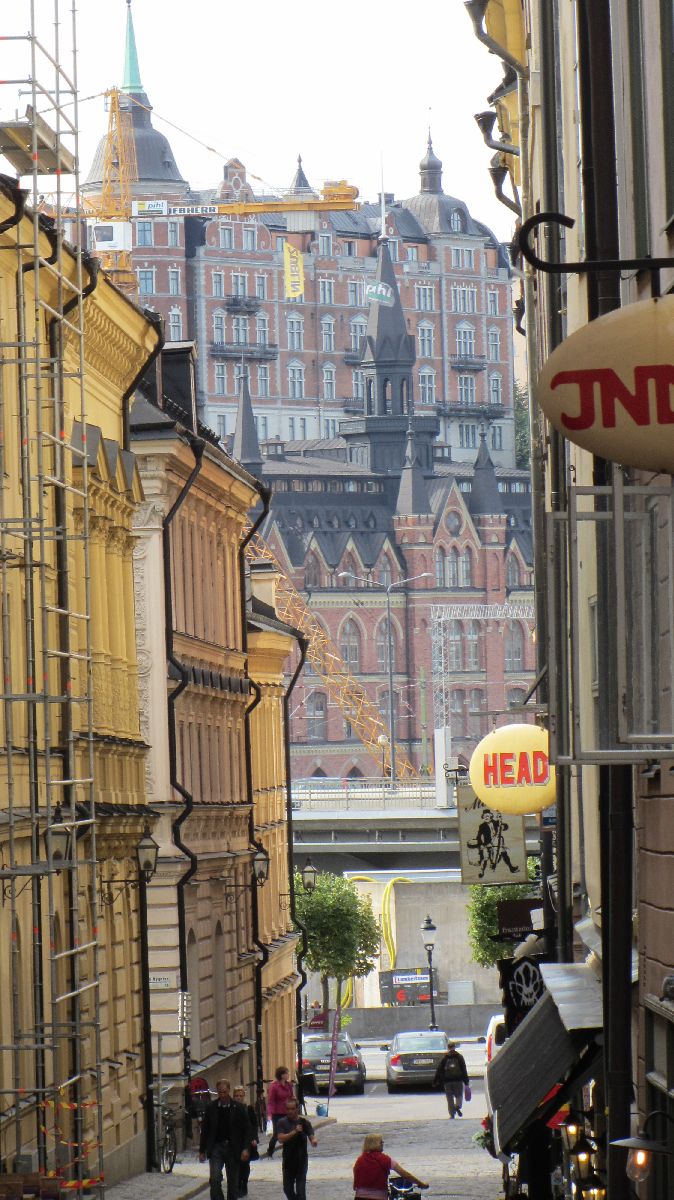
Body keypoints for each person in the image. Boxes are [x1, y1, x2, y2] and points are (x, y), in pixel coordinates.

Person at [199, 1078, 252, 1200]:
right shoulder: (211, 1107)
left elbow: (247, 1129)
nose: (222, 1095)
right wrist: (202, 1150)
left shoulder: (238, 1108)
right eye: (220, 1092)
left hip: (233, 1148)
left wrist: (245, 1148)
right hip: (216, 1147)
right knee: (214, 1179)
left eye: (224, 1092)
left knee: (233, 1184)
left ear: (228, 1090)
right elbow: (205, 1129)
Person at [353, 1133, 428, 1200]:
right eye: (381, 1142)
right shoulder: (385, 1159)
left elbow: (355, 1180)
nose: (382, 1144)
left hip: (359, 1197)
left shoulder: (360, 1160)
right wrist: (421, 1184)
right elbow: (405, 1175)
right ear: (377, 1144)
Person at [277, 1096, 317, 1200]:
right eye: (288, 1109)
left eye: (292, 1109)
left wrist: (313, 1141)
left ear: (297, 1109)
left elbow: (311, 1135)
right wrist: (294, 1132)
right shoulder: (282, 1122)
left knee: (301, 1191)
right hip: (288, 1161)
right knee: (287, 1189)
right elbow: (280, 1138)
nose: (290, 1111)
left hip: (301, 1161)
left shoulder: (304, 1122)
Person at [232, 1086, 259, 1197]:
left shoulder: (248, 1109)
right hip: (235, 1141)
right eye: (236, 1096)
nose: (238, 1098)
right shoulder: (231, 1108)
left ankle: (244, 1183)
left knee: (245, 1164)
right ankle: (237, 1185)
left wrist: (254, 1138)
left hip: (247, 1140)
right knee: (236, 1164)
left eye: (240, 1096)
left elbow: (254, 1124)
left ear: (244, 1096)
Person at [433, 1041, 470, 1118]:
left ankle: (452, 1114)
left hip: (447, 1081)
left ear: (448, 1048)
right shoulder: (459, 1057)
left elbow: (439, 1070)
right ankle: (457, 1106)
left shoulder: (445, 1057)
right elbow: (463, 1069)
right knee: (459, 1095)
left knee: (449, 1098)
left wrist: (436, 1081)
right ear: (454, 1047)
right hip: (458, 1080)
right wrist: (466, 1081)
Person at [266, 1065, 295, 1157]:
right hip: (277, 1113)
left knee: (289, 1132)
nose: (288, 1075)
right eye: (287, 1073)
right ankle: (270, 1151)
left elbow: (291, 1097)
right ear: (282, 1075)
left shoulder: (289, 1085)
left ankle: (288, 1152)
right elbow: (271, 1101)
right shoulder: (274, 1086)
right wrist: (269, 1114)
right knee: (277, 1134)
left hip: (288, 1112)